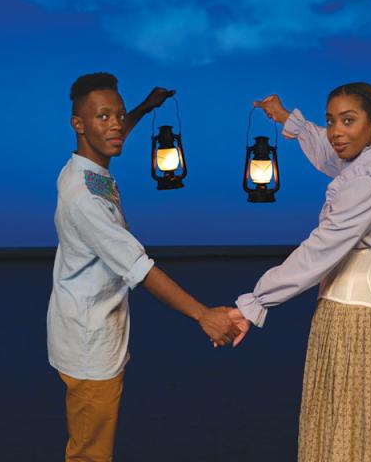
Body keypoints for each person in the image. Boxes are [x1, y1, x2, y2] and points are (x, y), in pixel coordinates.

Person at [47, 72, 240, 462]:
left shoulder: (87, 169)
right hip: (89, 345)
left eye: (118, 115)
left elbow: (112, 133)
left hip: (92, 328)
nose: (116, 124)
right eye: (103, 117)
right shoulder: (85, 197)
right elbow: (139, 267)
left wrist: (143, 109)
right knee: (89, 454)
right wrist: (204, 315)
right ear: (78, 125)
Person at [229, 83, 371, 461]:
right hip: (357, 318)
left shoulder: (369, 179)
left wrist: (257, 301)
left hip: (356, 323)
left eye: (348, 121)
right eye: (331, 120)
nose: (336, 131)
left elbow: (322, 250)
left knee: (353, 438)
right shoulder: (369, 161)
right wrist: (288, 120)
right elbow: (329, 153)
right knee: (351, 434)